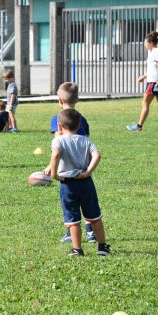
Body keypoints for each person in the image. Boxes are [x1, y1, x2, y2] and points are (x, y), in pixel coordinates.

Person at [49, 109, 111, 257]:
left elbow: (56, 154)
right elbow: (97, 155)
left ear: (59, 126)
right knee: (94, 216)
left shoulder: (58, 140)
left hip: (68, 185)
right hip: (86, 182)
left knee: (72, 218)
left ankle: (77, 249)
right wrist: (88, 172)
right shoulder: (86, 140)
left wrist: (54, 174)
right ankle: (102, 247)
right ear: (79, 126)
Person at [44, 82, 95, 243]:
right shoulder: (82, 119)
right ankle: (90, 231)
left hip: (66, 169)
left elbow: (57, 146)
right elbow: (85, 141)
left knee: (70, 200)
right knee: (86, 200)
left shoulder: (58, 119)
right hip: (83, 166)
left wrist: (50, 167)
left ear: (59, 100)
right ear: (77, 99)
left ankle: (70, 232)